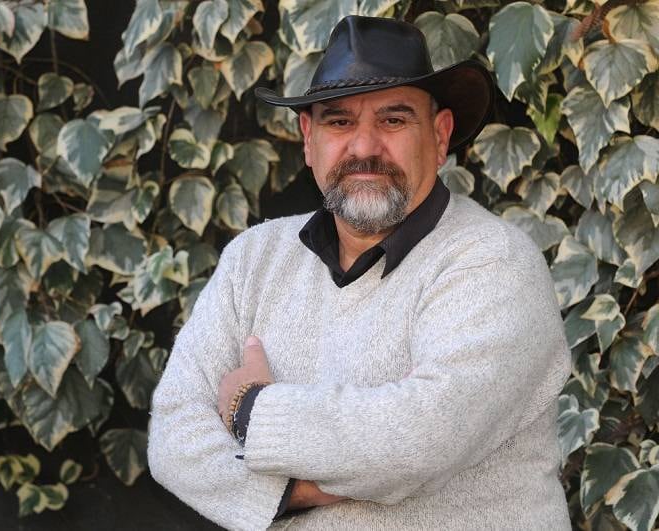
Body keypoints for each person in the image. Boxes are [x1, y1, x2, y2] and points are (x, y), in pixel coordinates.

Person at [147, 15, 572, 530]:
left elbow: (420, 439)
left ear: (439, 136)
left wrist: (248, 407)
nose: (365, 147)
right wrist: (290, 494)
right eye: (339, 122)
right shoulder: (253, 259)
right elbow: (174, 433)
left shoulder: (493, 261)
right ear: (309, 138)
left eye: (394, 120)